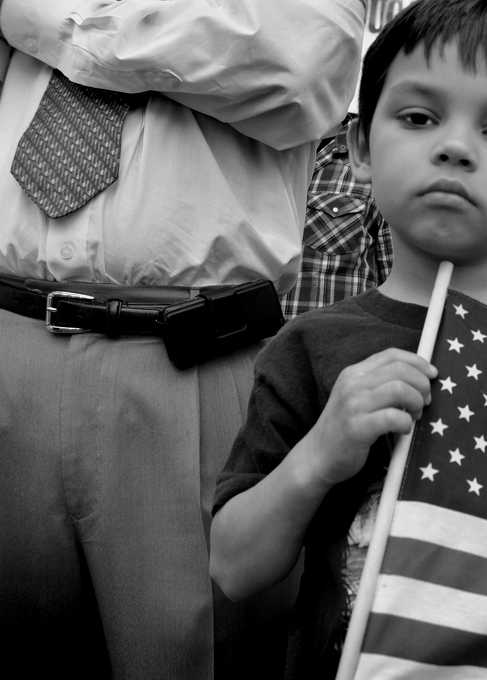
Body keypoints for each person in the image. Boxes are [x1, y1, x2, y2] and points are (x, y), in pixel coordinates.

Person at [208, 1, 487, 677]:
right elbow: (234, 567)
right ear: (359, 147)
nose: (455, 147)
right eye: (418, 118)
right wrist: (322, 451)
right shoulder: (309, 346)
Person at [0, 1, 364, 678]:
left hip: (190, 358)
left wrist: (56, 20)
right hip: (10, 333)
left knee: (197, 654)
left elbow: (298, 65)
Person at [281, 115, 394, 319]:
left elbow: (398, 285)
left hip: (335, 345)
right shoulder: (244, 154)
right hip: (246, 346)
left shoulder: (377, 160)